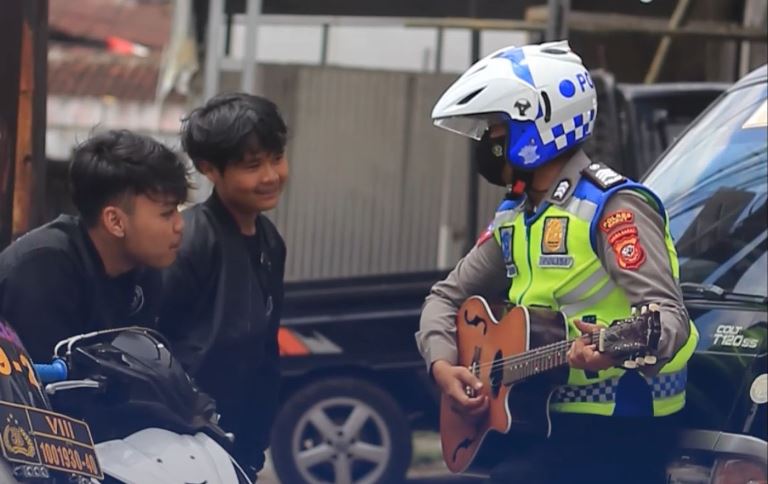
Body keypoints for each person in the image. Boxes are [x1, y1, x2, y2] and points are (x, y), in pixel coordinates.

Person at [415, 41, 699, 484]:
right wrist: (443, 364)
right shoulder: (516, 214)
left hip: (619, 424)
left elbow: (669, 319)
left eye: (496, 128)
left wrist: (611, 349)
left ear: (540, 127)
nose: (487, 141)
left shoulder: (613, 206)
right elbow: (444, 298)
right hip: (540, 415)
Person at [158, 92, 288, 478]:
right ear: (208, 169)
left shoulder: (270, 240)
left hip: (241, 444)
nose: (270, 176)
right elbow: (152, 343)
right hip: (184, 442)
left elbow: (266, 351)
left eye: (276, 158)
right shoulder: (191, 238)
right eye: (252, 165)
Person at [0, 130, 188, 361]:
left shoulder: (143, 268)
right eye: (167, 214)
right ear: (115, 221)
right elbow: (38, 386)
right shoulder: (43, 270)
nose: (180, 225)